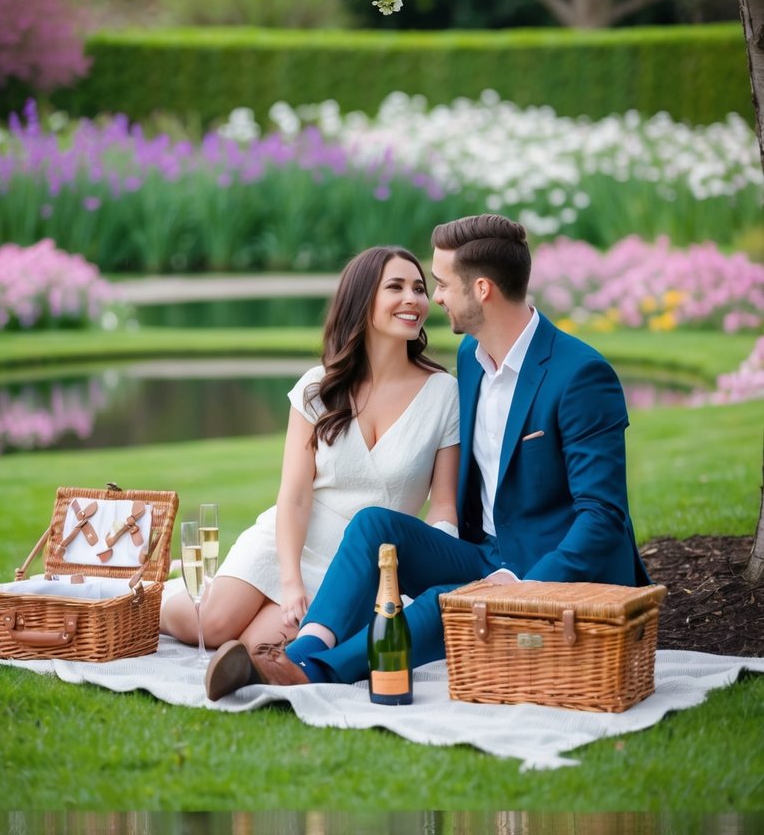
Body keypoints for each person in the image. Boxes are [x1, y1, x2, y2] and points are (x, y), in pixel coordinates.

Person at [205, 213, 651, 698]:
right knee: (375, 525)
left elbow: (603, 519)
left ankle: (310, 671)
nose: (432, 298)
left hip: (553, 571)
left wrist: (522, 585)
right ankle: (305, 650)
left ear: (482, 289)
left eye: (440, 284)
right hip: (486, 555)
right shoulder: (471, 361)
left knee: (444, 600)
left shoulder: (580, 375)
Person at [161, 245, 460, 651]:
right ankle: (150, 594)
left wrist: (432, 565)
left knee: (258, 646)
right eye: (396, 287)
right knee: (213, 626)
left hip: (356, 564)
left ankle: (203, 585)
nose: (414, 299)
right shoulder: (317, 387)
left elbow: (443, 504)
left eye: (420, 288)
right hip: (290, 540)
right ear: (363, 299)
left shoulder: (444, 392)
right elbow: (296, 494)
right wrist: (290, 580)